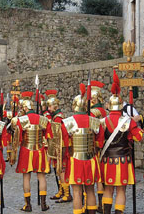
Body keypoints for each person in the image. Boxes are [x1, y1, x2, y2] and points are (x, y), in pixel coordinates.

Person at [100, 71, 143, 214]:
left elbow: (99, 142)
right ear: (120, 106)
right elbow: (139, 138)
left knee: (108, 188)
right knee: (120, 190)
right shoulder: (128, 121)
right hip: (123, 159)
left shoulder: (103, 121)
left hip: (107, 161)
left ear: (109, 106)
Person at [62, 84, 104, 214]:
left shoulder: (67, 122)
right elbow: (99, 143)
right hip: (91, 159)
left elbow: (65, 145)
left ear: (74, 106)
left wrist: (64, 163)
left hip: (75, 160)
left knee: (77, 191)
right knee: (90, 189)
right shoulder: (95, 121)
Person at [11, 91, 52, 212]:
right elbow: (49, 136)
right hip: (39, 150)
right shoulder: (43, 119)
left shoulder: (21, 120)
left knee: (26, 177)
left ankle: (28, 205)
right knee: (41, 176)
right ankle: (44, 204)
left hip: (26, 150)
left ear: (24, 108)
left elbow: (17, 139)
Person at [45, 89, 72, 203]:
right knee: (58, 170)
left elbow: (61, 135)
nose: (48, 109)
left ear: (55, 107)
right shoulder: (55, 118)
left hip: (61, 148)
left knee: (62, 171)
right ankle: (61, 190)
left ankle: (67, 193)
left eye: (50, 107)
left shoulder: (58, 119)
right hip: (57, 148)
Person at [90, 81, 107, 213]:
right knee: (101, 175)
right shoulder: (104, 111)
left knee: (94, 175)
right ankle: (101, 203)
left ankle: (92, 204)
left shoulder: (93, 112)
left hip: (93, 146)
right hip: (105, 146)